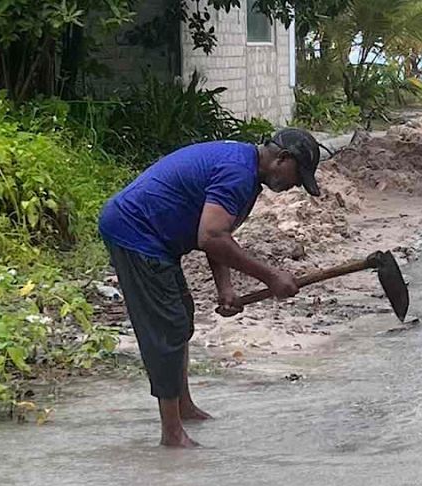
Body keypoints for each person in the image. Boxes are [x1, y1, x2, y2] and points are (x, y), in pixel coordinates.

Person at [98, 128, 322, 448]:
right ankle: (172, 435)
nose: (295, 185)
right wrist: (271, 276)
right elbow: (211, 237)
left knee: (181, 318)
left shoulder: (245, 170)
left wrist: (225, 288)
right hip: (136, 232)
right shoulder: (237, 174)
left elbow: (218, 235)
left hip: (156, 239)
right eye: (297, 175)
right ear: (282, 159)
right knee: (167, 327)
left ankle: (183, 407)